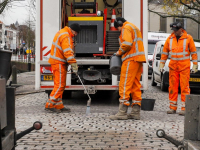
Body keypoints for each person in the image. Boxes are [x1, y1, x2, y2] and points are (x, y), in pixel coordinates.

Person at [109, 17, 146, 120]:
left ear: (120, 24)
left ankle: (122, 112)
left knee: (124, 84)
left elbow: (127, 43)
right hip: (138, 59)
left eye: (118, 29)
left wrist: (118, 53)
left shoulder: (126, 27)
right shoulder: (133, 27)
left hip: (130, 59)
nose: (119, 31)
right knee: (135, 85)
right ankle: (135, 112)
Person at [159, 22, 198, 116]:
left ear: (181, 29)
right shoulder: (170, 39)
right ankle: (172, 107)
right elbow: (165, 53)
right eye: (173, 30)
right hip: (173, 67)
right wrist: (161, 64)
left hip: (184, 66)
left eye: (176, 30)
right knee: (172, 87)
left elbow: (193, 52)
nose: (175, 32)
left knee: (185, 87)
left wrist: (195, 65)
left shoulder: (188, 38)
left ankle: (185, 108)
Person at [45, 23, 81, 113]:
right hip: (59, 63)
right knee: (60, 85)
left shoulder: (63, 33)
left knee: (61, 85)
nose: (75, 35)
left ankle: (58, 105)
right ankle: (50, 104)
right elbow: (67, 51)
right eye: (76, 33)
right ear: (73, 30)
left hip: (58, 62)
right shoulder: (66, 36)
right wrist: (73, 64)